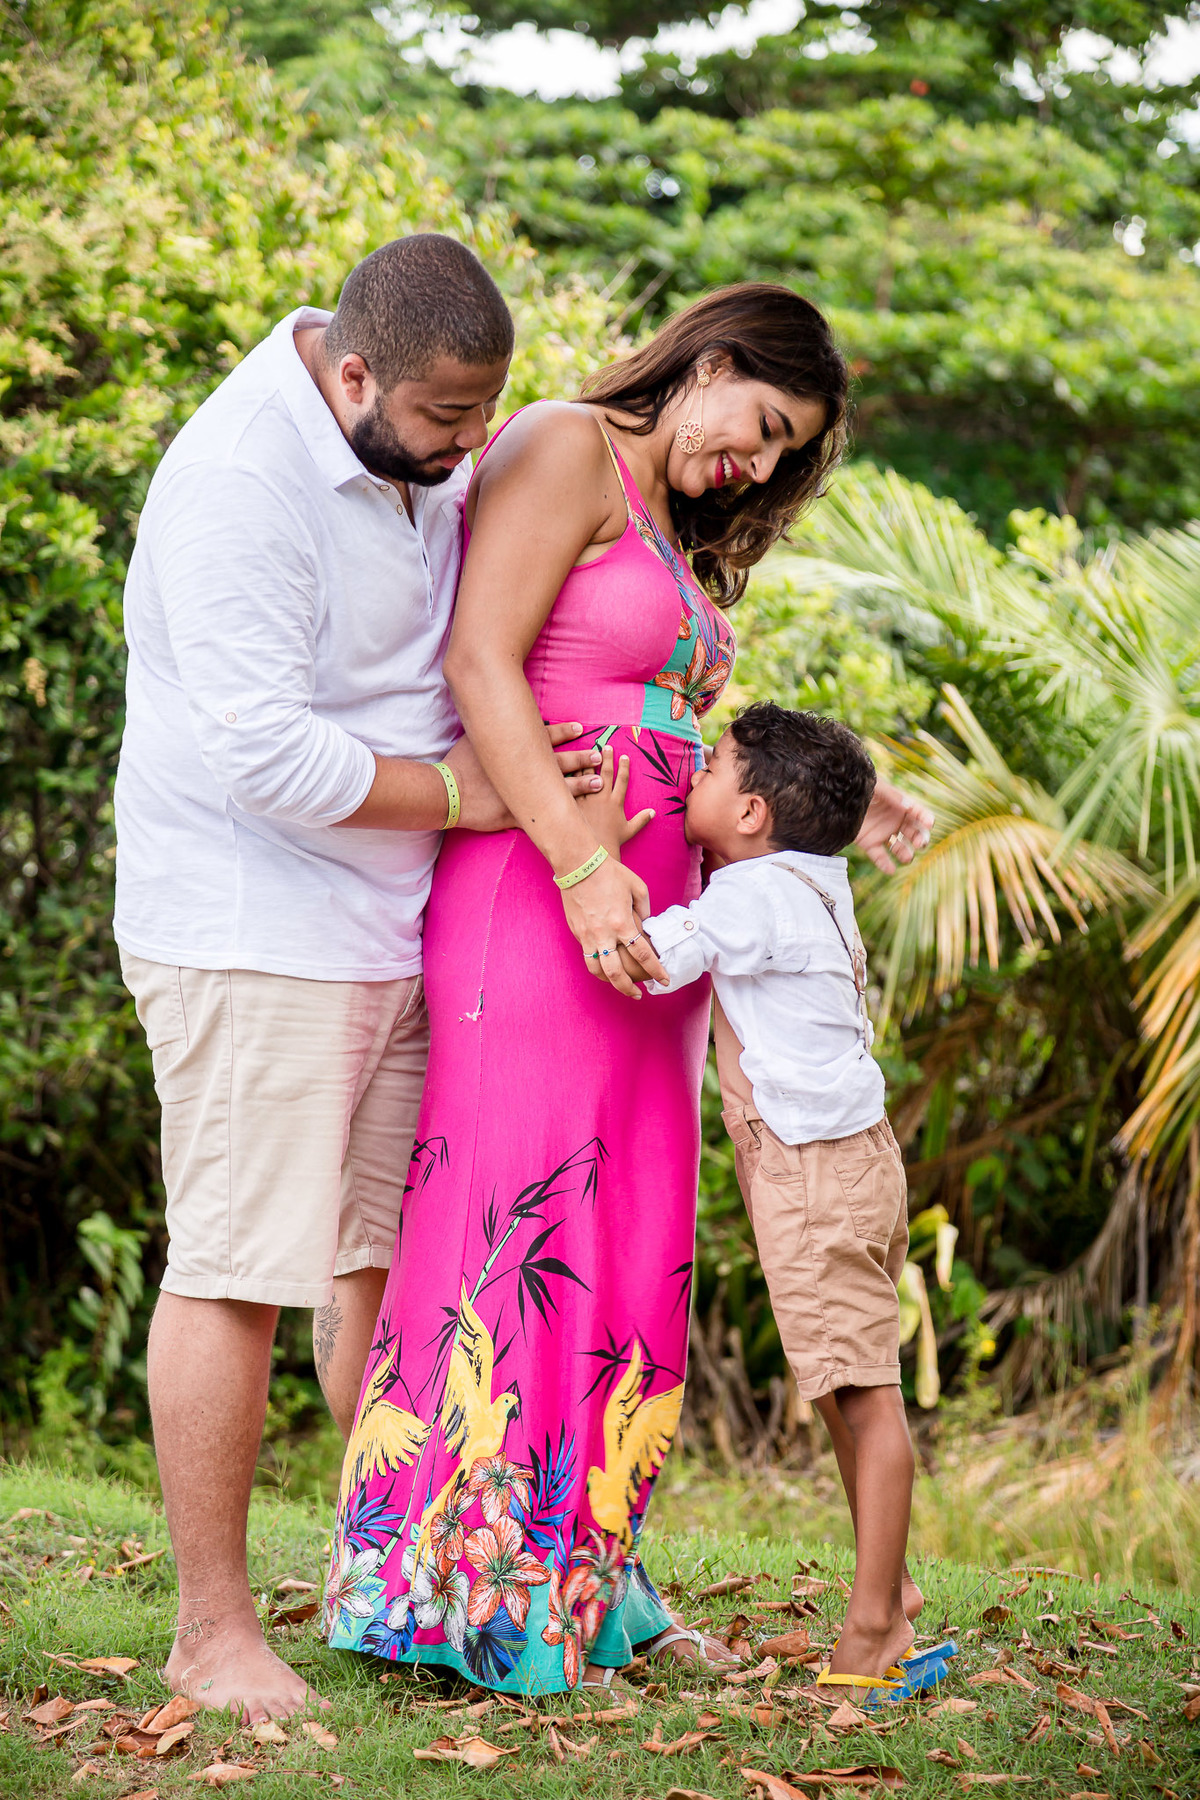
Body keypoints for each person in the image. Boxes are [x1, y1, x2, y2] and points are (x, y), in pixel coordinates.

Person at [326, 285, 933, 1695]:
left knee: (626, 1227)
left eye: (788, 457)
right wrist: (583, 864)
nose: (763, 467)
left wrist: (857, 792)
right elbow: (482, 659)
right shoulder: (559, 445)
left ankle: (582, 1583)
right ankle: (460, 1597)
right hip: (546, 900)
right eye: (765, 428)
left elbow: (670, 711)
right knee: (521, 1212)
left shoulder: (672, 520)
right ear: (711, 361)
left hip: (659, 930)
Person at [113, 234, 604, 1723]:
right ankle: (211, 1632)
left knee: (382, 1281)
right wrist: (472, 798)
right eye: (452, 418)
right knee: (238, 1272)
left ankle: (391, 1582)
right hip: (255, 927)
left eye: (488, 415)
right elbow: (263, 756)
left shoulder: (413, 445)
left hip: (393, 930)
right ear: (351, 374)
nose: (473, 448)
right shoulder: (238, 485)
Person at [623, 702, 953, 1699]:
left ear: (755, 812)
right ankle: (884, 1605)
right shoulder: (811, 876)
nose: (695, 774)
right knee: (840, 1391)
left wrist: (586, 864)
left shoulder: (752, 895)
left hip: (813, 1174)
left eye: (714, 765)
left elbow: (647, 962)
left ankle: (870, 1635)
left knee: (864, 1398)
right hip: (852, 1164)